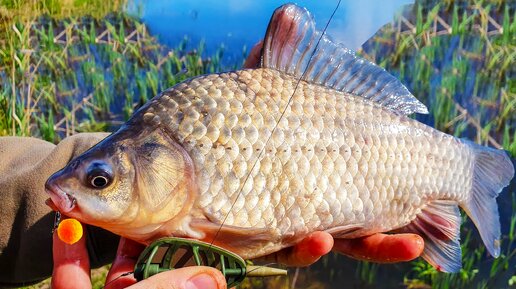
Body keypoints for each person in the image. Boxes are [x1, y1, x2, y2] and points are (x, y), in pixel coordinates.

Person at [0, 42, 424, 289]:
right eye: (100, 179)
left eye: (99, 180)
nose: (71, 193)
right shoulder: (163, 149)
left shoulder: (168, 154)